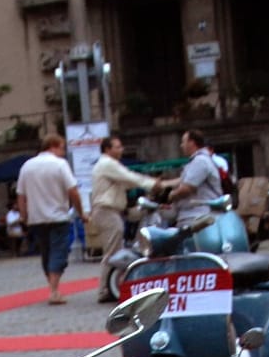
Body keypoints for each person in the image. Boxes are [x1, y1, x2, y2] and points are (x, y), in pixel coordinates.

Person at [15, 134, 83, 304]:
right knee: (59, 252)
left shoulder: (27, 166)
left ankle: (52, 287)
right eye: (62, 148)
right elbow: (73, 191)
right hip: (58, 216)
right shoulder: (60, 165)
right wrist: (81, 212)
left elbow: (20, 195)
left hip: (36, 218)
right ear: (53, 146)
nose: (63, 152)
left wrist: (24, 216)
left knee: (46, 253)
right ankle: (53, 290)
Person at [87, 133, 158, 267]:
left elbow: (128, 182)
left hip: (109, 211)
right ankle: (105, 287)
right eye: (118, 147)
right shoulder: (108, 164)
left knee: (115, 251)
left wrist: (151, 184)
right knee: (113, 253)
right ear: (107, 150)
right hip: (106, 210)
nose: (122, 149)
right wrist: (153, 183)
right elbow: (130, 178)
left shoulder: (109, 165)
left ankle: (112, 285)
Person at [168, 128, 223, 223]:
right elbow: (181, 181)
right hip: (194, 216)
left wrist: (172, 195)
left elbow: (187, 188)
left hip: (199, 216)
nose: (181, 146)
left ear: (191, 143)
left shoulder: (200, 161)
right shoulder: (196, 161)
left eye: (183, 142)